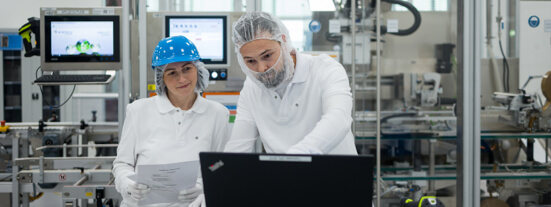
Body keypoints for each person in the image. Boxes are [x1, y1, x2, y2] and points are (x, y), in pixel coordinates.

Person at [112, 35, 229, 207]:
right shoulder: (138, 111)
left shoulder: (217, 113)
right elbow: (122, 163)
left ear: (198, 69)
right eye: (172, 73)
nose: (182, 79)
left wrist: (202, 186)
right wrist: (128, 184)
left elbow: (221, 164)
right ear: (162, 78)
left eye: (187, 69)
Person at [223, 11, 357, 155]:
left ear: (284, 41)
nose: (262, 69)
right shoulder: (252, 87)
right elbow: (237, 146)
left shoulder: (325, 69)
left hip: (336, 175)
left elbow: (339, 119)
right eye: (250, 61)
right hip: (284, 175)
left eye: (267, 56)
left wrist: (297, 155)